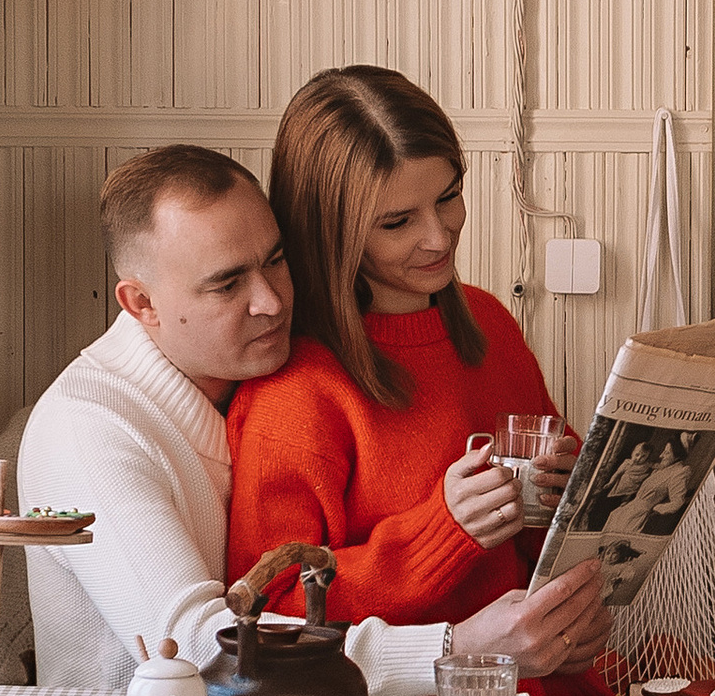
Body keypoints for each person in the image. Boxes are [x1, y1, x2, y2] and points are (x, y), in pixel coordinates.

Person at [15, 142, 606, 696]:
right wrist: (457, 647)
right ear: (142, 304)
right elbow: (201, 652)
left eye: (276, 260)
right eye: (227, 284)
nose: (272, 301)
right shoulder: (88, 431)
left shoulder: (247, 377)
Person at [227, 68, 586, 663]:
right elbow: (271, 613)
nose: (439, 238)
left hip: (541, 680)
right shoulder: (295, 395)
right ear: (330, 231)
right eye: (397, 222)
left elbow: (539, 555)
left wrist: (566, 501)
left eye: (449, 197)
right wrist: (443, 533)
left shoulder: (489, 323)